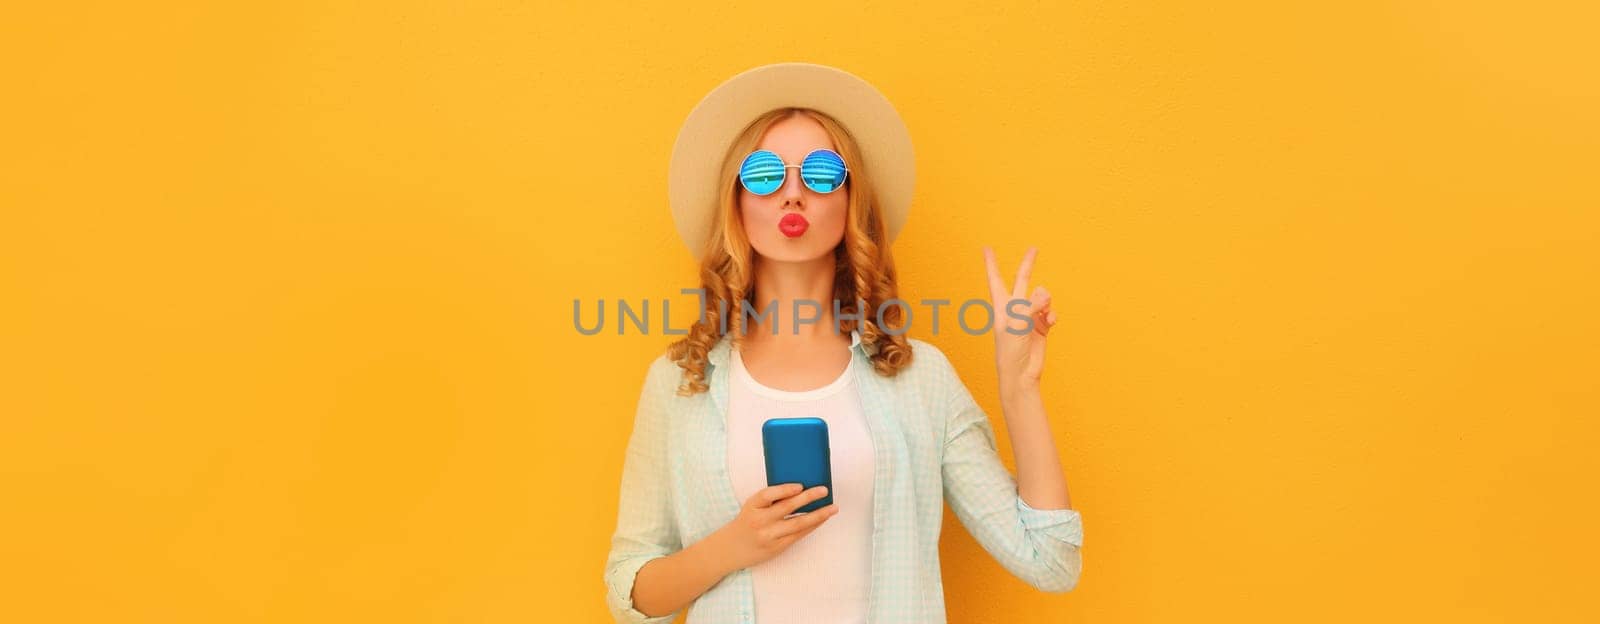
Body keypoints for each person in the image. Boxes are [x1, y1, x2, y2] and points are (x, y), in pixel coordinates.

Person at [604, 62, 1083, 624]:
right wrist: (735, 544)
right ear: (735, 201)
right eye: (763, 174)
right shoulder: (681, 380)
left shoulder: (919, 379)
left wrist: (1020, 388)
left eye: (822, 172)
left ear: (852, 200)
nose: (793, 194)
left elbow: (1051, 561)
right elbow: (629, 591)